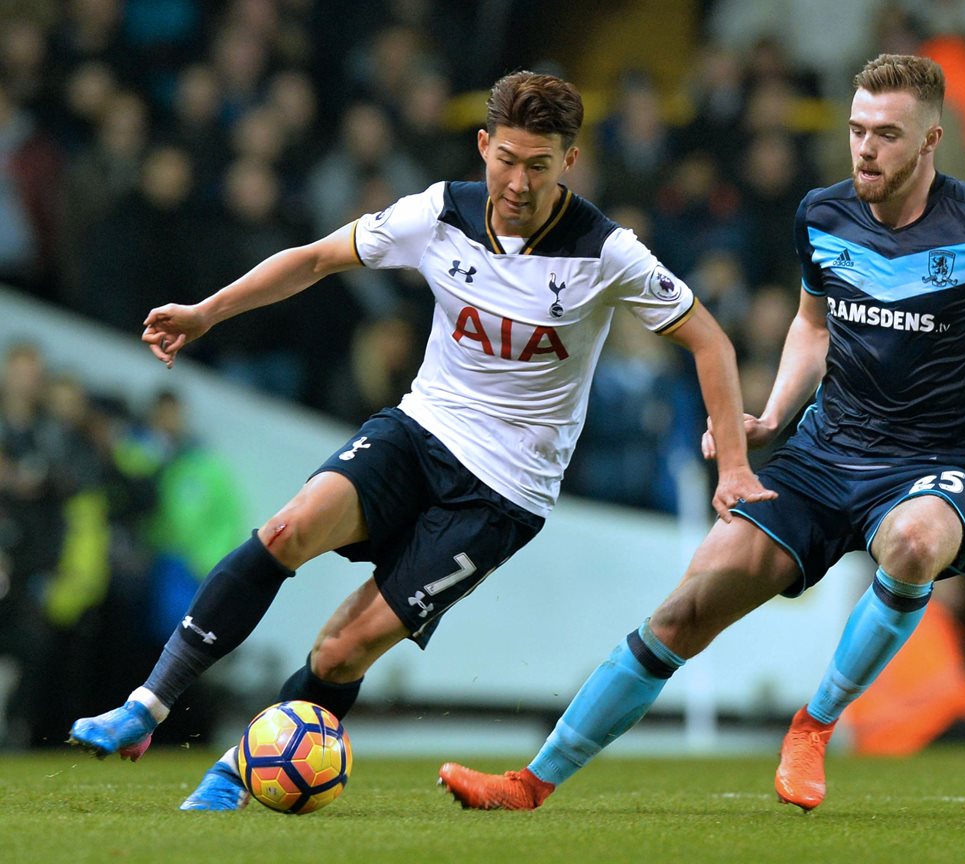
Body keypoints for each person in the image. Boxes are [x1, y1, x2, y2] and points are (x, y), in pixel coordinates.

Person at [437, 53, 965, 813]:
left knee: (910, 546)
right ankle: (532, 781)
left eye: (888, 135)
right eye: (857, 131)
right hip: (825, 451)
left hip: (935, 459)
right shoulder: (821, 213)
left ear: (931, 139)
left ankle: (815, 724)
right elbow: (811, 323)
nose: (866, 149)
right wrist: (772, 413)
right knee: (686, 608)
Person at [66, 71, 773, 809]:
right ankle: (145, 707)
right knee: (288, 528)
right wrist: (207, 313)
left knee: (342, 649)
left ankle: (236, 776)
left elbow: (710, 342)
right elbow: (314, 258)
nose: (519, 182)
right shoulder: (439, 211)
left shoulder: (607, 251)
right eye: (506, 158)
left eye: (539, 164)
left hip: (502, 493)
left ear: (569, 161)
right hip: (421, 429)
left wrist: (731, 463)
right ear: (483, 145)